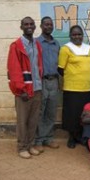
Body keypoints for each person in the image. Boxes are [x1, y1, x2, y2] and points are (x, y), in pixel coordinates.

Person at [7, 16, 43, 159]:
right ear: (21, 27)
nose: (29, 26)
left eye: (31, 24)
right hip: (23, 91)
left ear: (35, 27)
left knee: (34, 120)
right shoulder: (16, 46)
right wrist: (20, 90)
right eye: (26, 24)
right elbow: (14, 70)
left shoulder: (36, 44)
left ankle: (30, 144)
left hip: (37, 89)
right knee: (23, 121)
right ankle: (22, 147)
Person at [58, 25, 90, 149]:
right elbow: (60, 69)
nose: (77, 37)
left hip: (86, 87)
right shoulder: (66, 49)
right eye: (74, 34)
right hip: (71, 88)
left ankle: (80, 136)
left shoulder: (88, 48)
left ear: (82, 35)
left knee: (82, 113)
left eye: (79, 34)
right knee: (71, 114)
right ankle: (72, 137)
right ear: (70, 36)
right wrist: (72, 77)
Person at [34, 16, 60, 153]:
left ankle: (48, 138)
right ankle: (38, 140)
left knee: (51, 111)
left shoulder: (56, 44)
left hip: (54, 81)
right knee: (40, 111)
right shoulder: (36, 42)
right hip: (41, 81)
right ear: (41, 26)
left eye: (51, 24)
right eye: (46, 24)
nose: (49, 27)